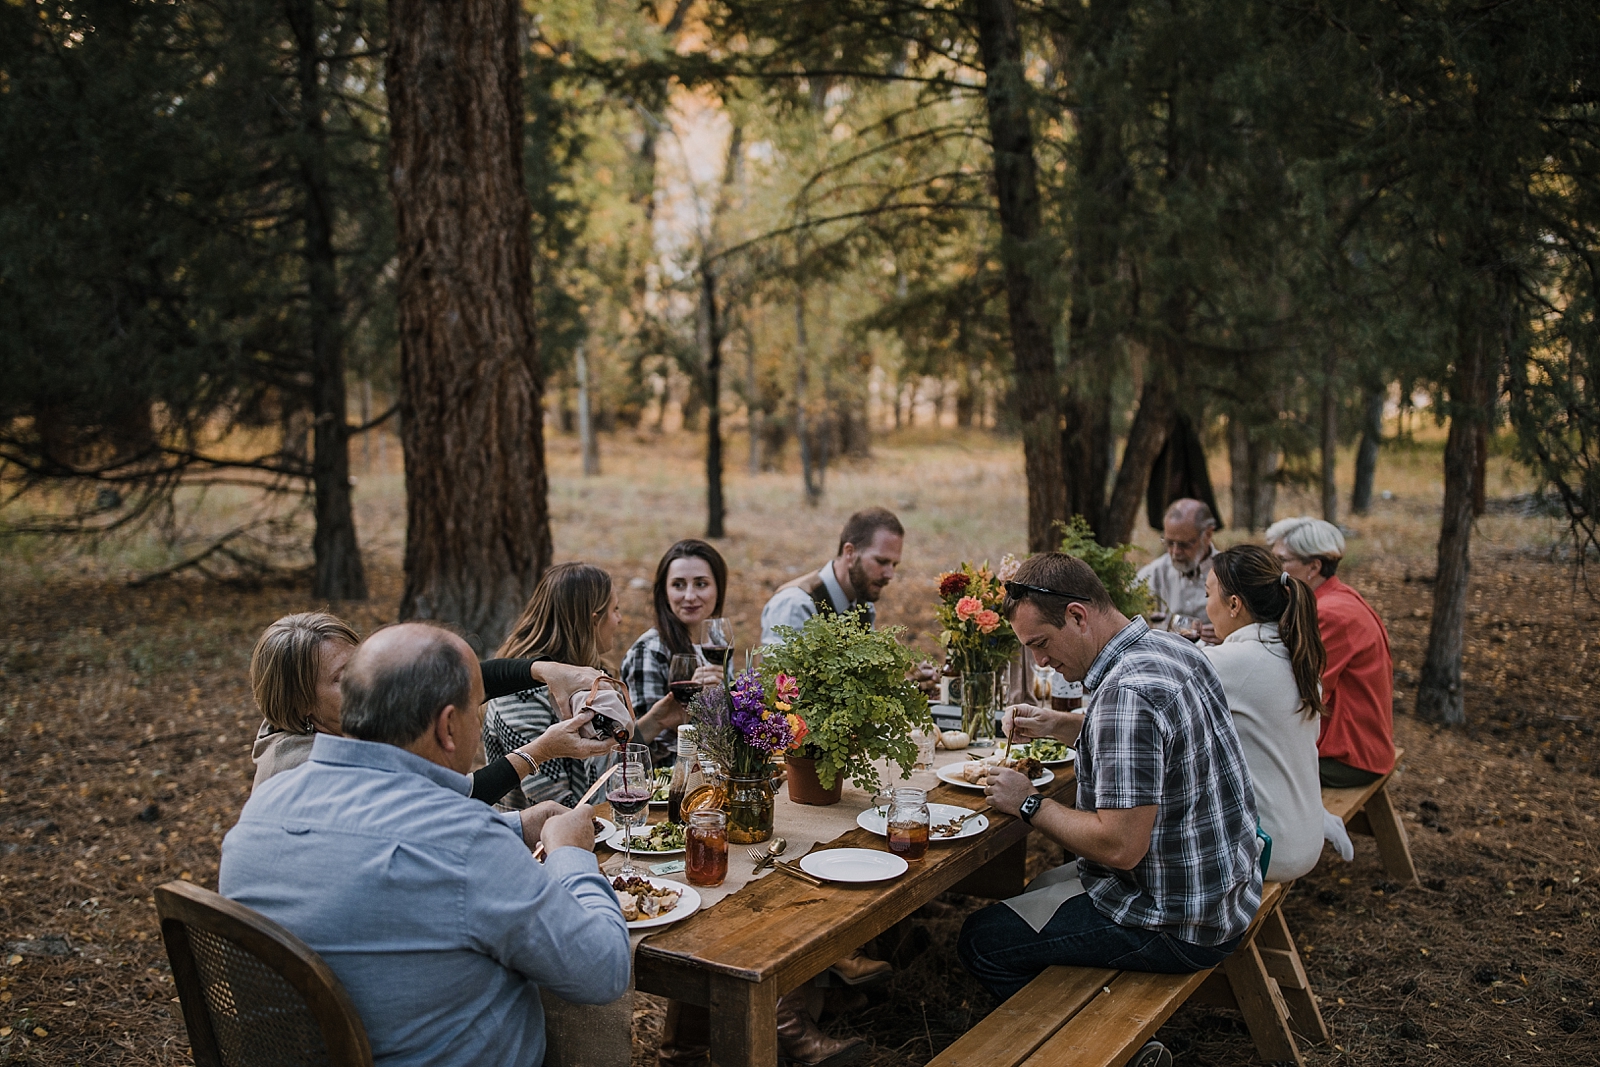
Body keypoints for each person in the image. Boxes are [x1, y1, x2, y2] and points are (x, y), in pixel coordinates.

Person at [220, 622, 631, 1067]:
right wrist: (571, 853)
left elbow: (389, 846)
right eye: (476, 710)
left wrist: (517, 826)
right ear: (448, 727)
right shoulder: (465, 843)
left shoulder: (261, 809)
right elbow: (602, 972)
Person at [957, 553, 1261, 1004]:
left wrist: (1029, 803)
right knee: (1039, 888)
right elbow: (1150, 743)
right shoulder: (1168, 646)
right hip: (1227, 892)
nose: (1039, 661)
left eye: (1040, 642)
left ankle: (1072, 1046)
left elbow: (1120, 847)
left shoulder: (1125, 694)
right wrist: (1057, 724)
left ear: (1077, 616)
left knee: (981, 940)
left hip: (1180, 925)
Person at [248, 612, 614, 801]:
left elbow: (445, 683)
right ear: (299, 706)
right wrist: (542, 750)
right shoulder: (315, 771)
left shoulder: (341, 721)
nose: (365, 683)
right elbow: (452, 799)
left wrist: (545, 670)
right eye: (343, 679)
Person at [1202, 544, 1327, 881]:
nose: (1205, 606)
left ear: (1233, 604)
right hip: (1306, 837)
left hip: (1268, 849)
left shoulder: (1233, 664)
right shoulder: (1295, 656)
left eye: (1208, 593)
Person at [1265, 517, 1395, 789]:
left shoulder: (1330, 614)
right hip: (1354, 747)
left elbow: (1305, 692)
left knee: (1249, 766)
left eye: (1281, 561)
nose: (1273, 570)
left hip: (1348, 757)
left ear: (1314, 566)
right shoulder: (1331, 599)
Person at [620, 539, 729, 759]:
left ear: (718, 588)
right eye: (678, 585)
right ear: (665, 592)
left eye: (701, 584)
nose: (689, 596)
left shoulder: (716, 642)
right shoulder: (650, 651)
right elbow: (649, 748)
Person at [760, 507, 903, 645]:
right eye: (881, 561)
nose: (889, 574)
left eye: (894, 565)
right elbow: (779, 669)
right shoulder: (795, 605)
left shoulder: (862, 605)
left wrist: (911, 670)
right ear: (850, 553)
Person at [1136, 498, 1218, 640]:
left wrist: (1228, 636)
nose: (1175, 552)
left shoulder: (1230, 574)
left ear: (1208, 535)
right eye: (1169, 543)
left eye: (1184, 545)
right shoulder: (1153, 574)